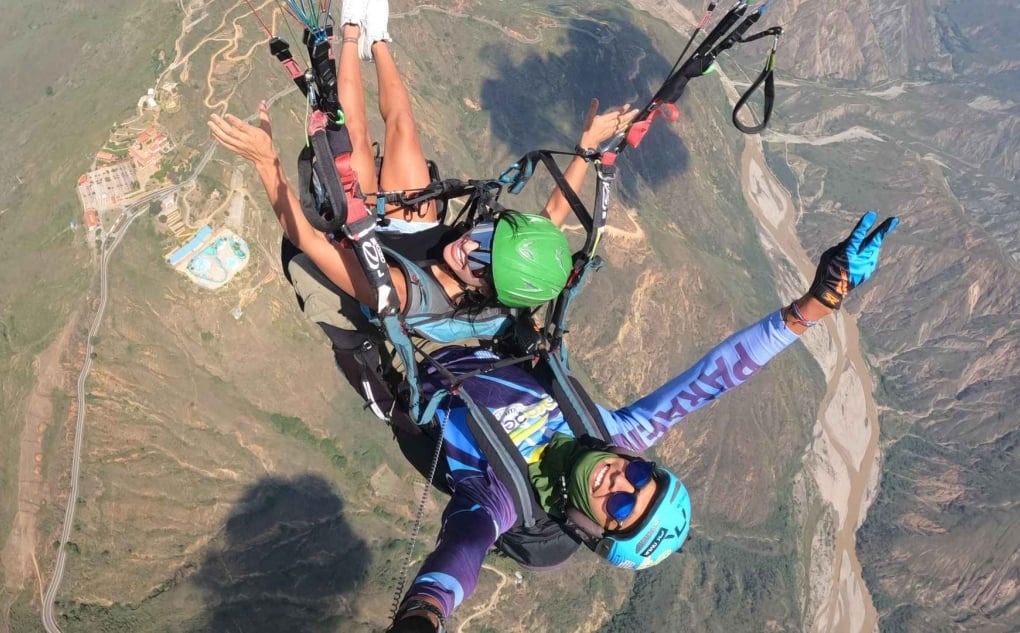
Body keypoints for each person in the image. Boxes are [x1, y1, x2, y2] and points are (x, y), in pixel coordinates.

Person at [379, 210, 899, 632]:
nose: (620, 480)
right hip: (458, 318)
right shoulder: (615, 436)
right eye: (642, 478)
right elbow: (711, 381)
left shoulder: (505, 501)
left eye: (623, 506)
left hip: (391, 354)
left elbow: (461, 556)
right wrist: (816, 305)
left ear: (593, 529)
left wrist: (424, 614)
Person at [209, 0, 636, 320]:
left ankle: (351, 31)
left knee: (353, 133)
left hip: (365, 240)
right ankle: (379, 40)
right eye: (488, 233)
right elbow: (553, 216)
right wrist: (585, 148)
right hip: (419, 228)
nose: (470, 243)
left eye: (481, 258)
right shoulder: (493, 264)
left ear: (484, 289)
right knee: (404, 128)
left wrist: (267, 164)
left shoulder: (400, 294)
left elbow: (309, 241)